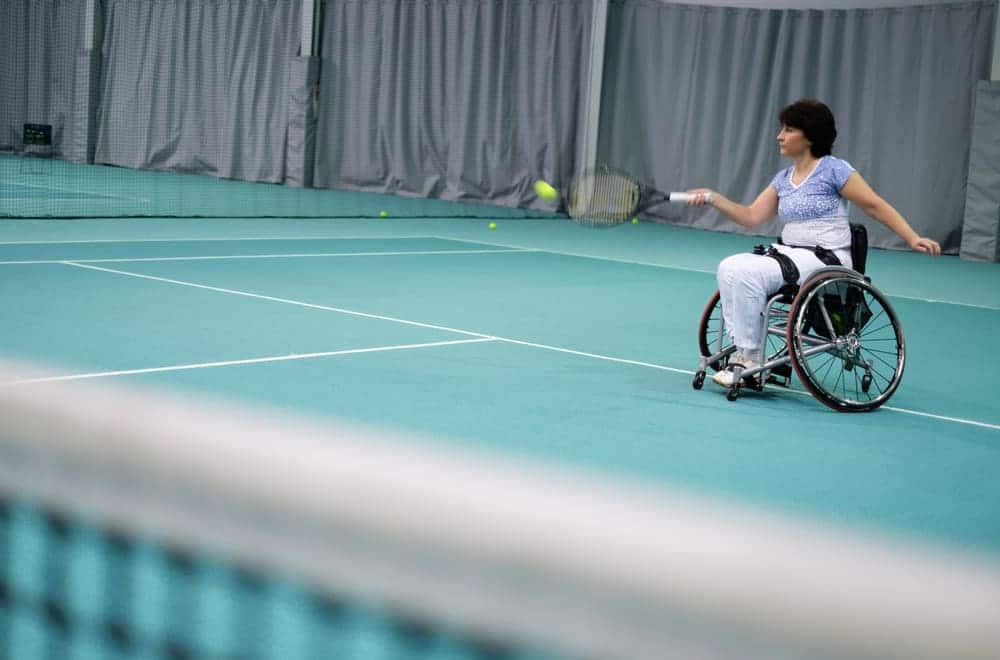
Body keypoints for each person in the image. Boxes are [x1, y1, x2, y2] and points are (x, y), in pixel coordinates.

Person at [686, 99, 940, 388]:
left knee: (750, 274)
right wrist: (712, 198)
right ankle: (743, 349)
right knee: (729, 266)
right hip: (789, 254)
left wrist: (912, 237)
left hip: (826, 259)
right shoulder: (783, 178)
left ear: (810, 135)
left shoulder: (834, 169)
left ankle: (751, 360)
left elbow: (873, 205)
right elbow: (751, 216)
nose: (779, 136)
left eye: (788, 129)